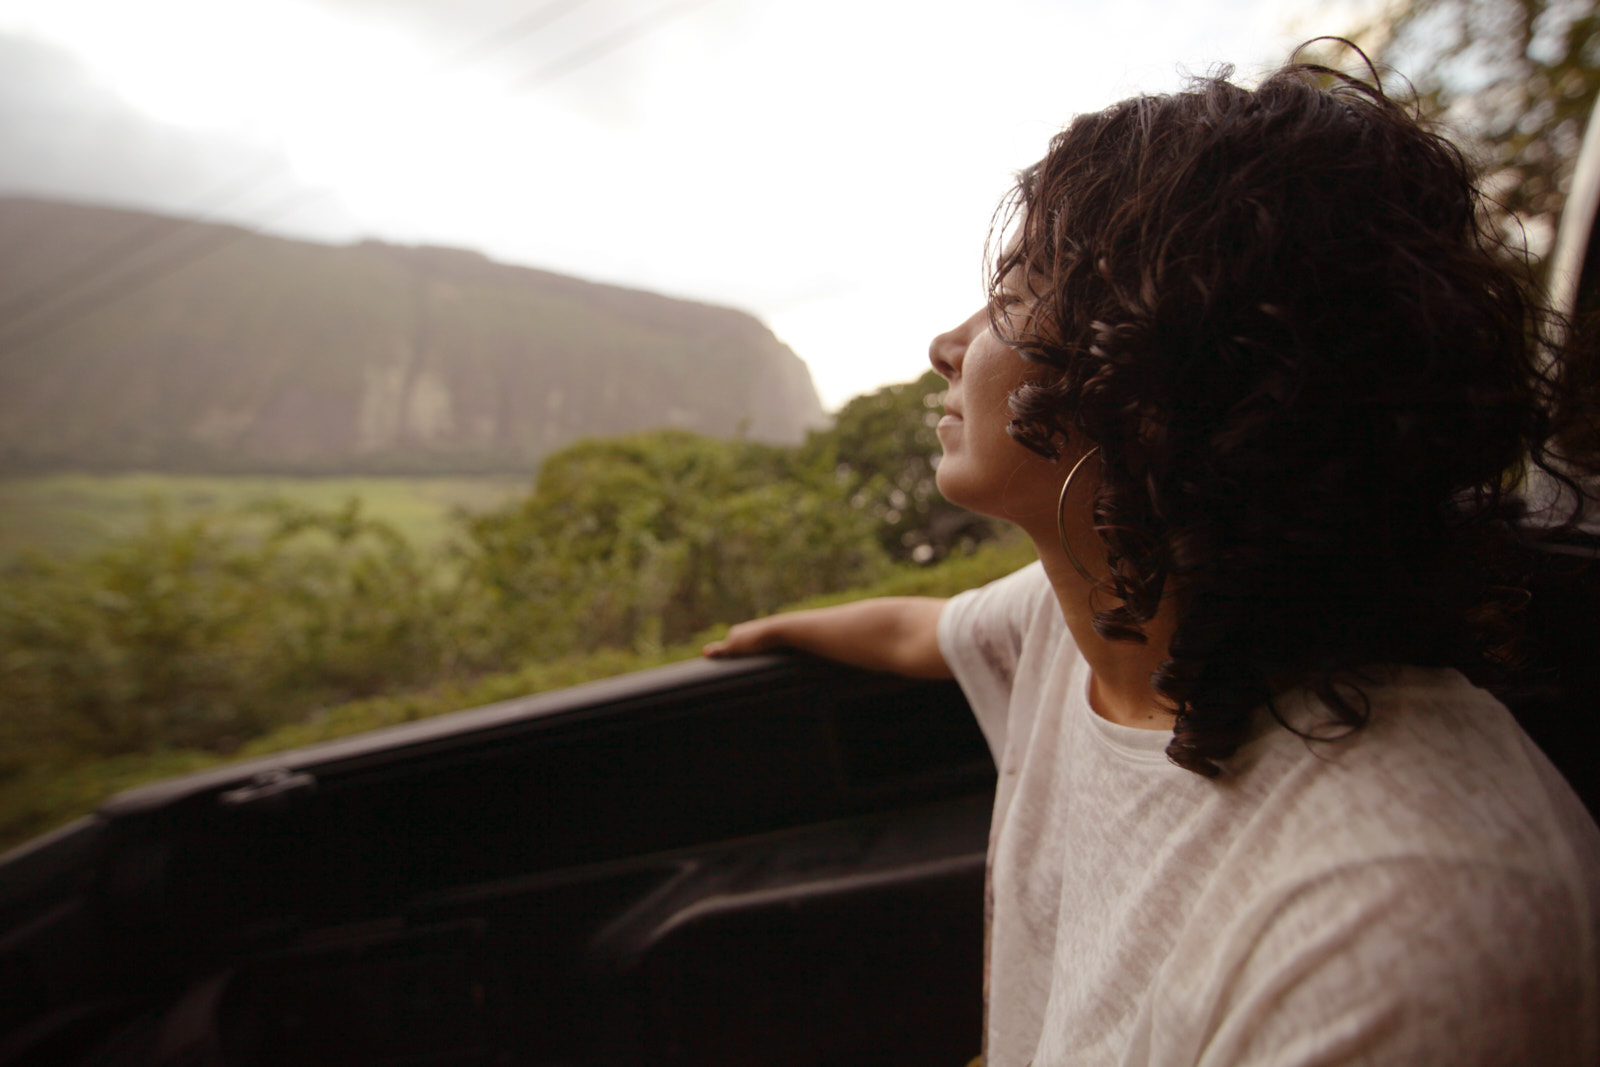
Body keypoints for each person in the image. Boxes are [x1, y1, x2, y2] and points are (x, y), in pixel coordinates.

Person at [702, 51, 1600, 1066]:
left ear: (1159, 374)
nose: (945, 343)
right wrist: (767, 629)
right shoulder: (1098, 620)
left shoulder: (1398, 924)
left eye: (1014, 291)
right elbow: (922, 629)